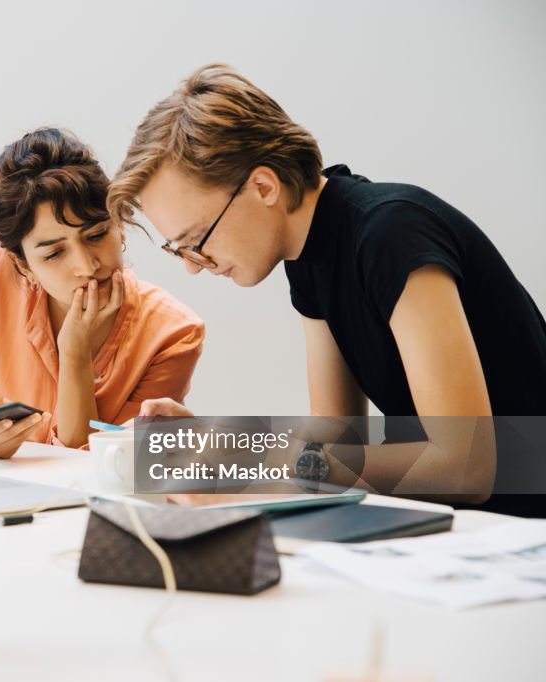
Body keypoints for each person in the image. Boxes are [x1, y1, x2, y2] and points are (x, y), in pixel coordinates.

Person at [107, 64, 546, 516]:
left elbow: (465, 467)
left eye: (197, 241)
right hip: (467, 529)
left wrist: (255, 459)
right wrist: (224, 441)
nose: (196, 268)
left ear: (263, 187)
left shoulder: (392, 234)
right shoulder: (309, 256)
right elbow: (337, 439)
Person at [0, 127, 205, 457]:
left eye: (96, 235)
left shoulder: (174, 334)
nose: (87, 266)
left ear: (119, 227)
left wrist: (76, 354)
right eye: (54, 253)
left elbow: (92, 461)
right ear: (24, 267)